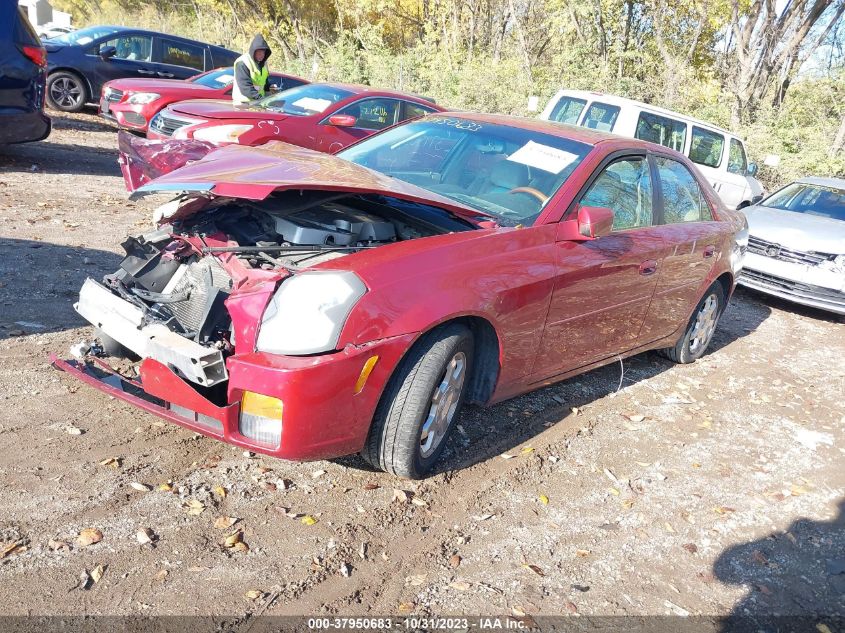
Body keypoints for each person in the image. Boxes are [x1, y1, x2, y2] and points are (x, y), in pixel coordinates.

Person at [232, 34, 272, 105]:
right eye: (259, 52)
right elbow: (245, 87)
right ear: (253, 51)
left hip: (257, 103)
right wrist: (261, 99)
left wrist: (271, 89)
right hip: (243, 104)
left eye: (263, 52)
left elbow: (264, 83)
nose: (262, 54)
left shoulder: (264, 63)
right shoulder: (243, 62)